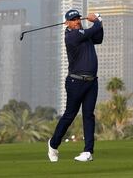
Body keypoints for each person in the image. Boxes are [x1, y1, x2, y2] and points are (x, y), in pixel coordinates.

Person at [47, 9, 104, 163]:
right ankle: (53, 144)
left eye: (78, 18)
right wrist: (97, 20)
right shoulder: (71, 36)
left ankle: (88, 151)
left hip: (92, 82)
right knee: (70, 115)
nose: (77, 21)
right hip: (75, 82)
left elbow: (98, 38)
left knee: (88, 115)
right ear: (67, 23)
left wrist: (99, 23)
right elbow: (94, 29)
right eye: (73, 20)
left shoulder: (84, 34)